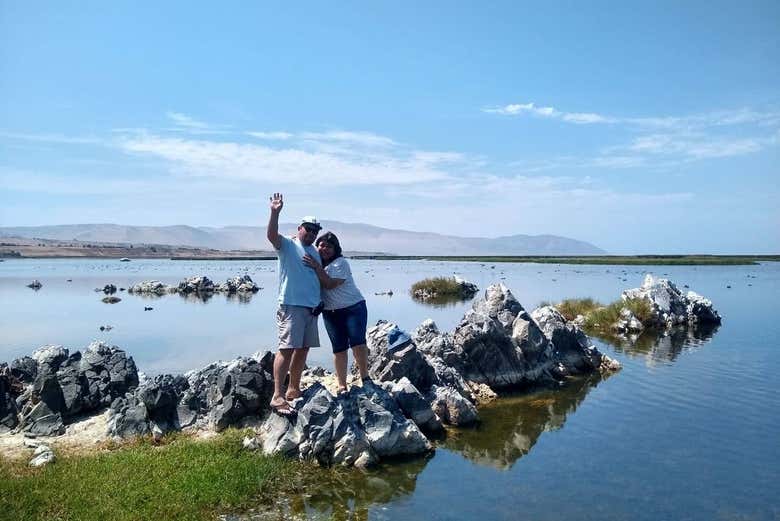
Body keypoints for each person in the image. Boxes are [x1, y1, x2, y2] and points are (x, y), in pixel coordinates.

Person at [267, 192, 323, 416]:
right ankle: (277, 395)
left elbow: (314, 279)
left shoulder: (315, 252)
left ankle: (293, 389)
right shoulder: (289, 245)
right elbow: (271, 236)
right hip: (291, 306)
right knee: (286, 349)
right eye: (307, 228)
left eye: (315, 230)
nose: (311, 232)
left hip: (310, 309)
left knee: (303, 348)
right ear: (300, 228)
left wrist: (318, 302)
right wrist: (274, 212)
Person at [303, 231, 370, 395]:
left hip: (353, 308)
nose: (324, 248)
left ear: (336, 249)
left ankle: (365, 378)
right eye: (321, 245)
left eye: (329, 246)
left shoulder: (340, 263)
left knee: (357, 344)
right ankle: (342, 385)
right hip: (331, 313)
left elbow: (329, 284)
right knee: (338, 349)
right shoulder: (316, 263)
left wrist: (317, 267)